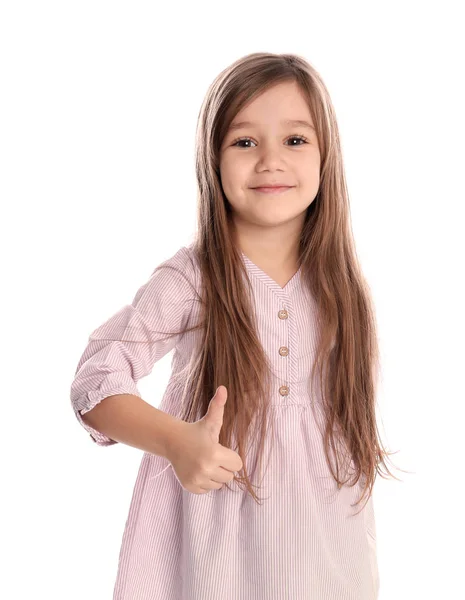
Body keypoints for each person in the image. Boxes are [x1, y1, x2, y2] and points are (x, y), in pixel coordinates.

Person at [70, 52, 403, 600]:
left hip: (322, 560)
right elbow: (95, 380)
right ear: (213, 159)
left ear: (326, 157)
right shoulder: (194, 278)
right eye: (245, 142)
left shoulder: (343, 287)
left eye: (295, 140)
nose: (271, 160)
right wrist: (178, 442)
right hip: (214, 558)